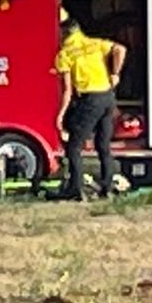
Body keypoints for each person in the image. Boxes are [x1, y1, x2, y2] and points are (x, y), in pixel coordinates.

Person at [53, 15, 127, 200]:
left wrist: (60, 115)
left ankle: (76, 190)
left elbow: (68, 91)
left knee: (74, 147)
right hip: (107, 97)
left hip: (90, 99)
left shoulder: (65, 54)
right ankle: (108, 188)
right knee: (103, 145)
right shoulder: (95, 44)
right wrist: (115, 73)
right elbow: (120, 49)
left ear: (63, 33)